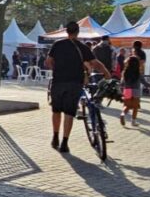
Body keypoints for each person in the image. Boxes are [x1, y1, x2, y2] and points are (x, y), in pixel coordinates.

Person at [44, 21, 110, 153]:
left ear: (66, 31)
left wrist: (56, 70)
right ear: (78, 32)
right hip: (75, 83)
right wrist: (106, 73)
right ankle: (64, 143)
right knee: (69, 113)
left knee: (56, 111)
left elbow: (48, 61)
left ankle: (55, 137)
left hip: (58, 82)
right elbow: (94, 62)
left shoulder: (57, 44)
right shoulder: (82, 47)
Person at [120, 55, 142, 127]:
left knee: (127, 106)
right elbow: (146, 83)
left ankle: (123, 114)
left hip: (127, 90)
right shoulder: (138, 73)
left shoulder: (125, 72)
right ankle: (133, 121)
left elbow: (122, 83)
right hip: (136, 90)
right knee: (135, 107)